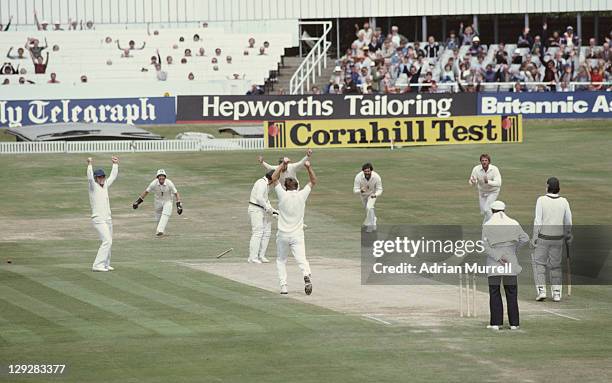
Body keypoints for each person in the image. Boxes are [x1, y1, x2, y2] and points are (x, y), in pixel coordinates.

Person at [271, 157, 316, 295]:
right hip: (297, 234)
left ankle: (284, 286)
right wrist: (308, 168)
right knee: (302, 259)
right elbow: (313, 181)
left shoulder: (282, 195)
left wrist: (282, 165)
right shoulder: (302, 194)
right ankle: (306, 274)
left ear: (286, 187)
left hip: (283, 234)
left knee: (281, 260)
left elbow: (273, 177)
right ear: (297, 186)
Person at [482, 201, 529, 330]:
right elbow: (525, 238)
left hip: (494, 262)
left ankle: (496, 323)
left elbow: (485, 246)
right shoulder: (513, 222)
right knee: (511, 292)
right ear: (504, 210)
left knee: (495, 292)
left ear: (492, 211)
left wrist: (498, 256)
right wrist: (513, 250)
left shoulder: (488, 224)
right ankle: (514, 323)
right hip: (510, 261)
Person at [531, 177, 572, 302]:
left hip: (543, 237)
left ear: (548, 186)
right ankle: (556, 293)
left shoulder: (541, 200)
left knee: (539, 264)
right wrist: (568, 235)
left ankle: (542, 291)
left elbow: (538, 220)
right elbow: (568, 221)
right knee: (555, 266)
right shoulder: (564, 201)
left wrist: (534, 236)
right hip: (558, 238)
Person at [87, 156, 119, 272]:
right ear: (96, 178)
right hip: (98, 219)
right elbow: (89, 178)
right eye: (99, 177)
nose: (102, 179)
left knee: (109, 241)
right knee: (107, 241)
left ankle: (105, 264)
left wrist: (115, 164)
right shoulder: (92, 187)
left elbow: (113, 177)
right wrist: (90, 165)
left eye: (103, 177)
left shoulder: (105, 185)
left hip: (108, 218)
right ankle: (97, 265)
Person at [132, 169, 183, 236]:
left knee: (165, 214)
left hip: (168, 201)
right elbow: (146, 192)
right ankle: (160, 232)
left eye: (163, 176)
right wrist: (137, 202)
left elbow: (176, 193)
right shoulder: (153, 183)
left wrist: (179, 205)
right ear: (157, 177)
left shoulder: (169, 183)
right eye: (160, 176)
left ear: (165, 177)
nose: (161, 177)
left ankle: (160, 230)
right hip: (158, 201)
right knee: (158, 218)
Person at [248, 170, 278, 264]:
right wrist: (268, 209)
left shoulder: (267, 185)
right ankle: (252, 257)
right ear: (272, 178)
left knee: (267, 232)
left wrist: (273, 211)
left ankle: (261, 255)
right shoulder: (261, 183)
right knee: (258, 232)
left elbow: (266, 200)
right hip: (255, 209)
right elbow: (259, 198)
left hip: (262, 210)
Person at [469, 154, 502, 223]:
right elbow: (472, 181)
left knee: (487, 209)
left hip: (493, 191)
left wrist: (488, 182)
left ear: (489, 162)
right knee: (484, 211)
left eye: (486, 160)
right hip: (482, 192)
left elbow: (499, 183)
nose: (484, 162)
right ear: (480, 162)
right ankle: (486, 226)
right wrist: (473, 182)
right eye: (482, 160)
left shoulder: (494, 169)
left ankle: (492, 225)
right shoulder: (476, 169)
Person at [353, 163, 383, 232]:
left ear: (371, 171)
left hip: (372, 194)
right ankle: (374, 219)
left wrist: (375, 194)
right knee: (367, 209)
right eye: (365, 171)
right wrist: (360, 191)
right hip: (363, 195)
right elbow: (355, 190)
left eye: (368, 171)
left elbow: (380, 189)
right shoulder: (358, 177)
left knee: (369, 207)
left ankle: (371, 226)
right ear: (363, 171)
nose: (367, 173)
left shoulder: (376, 177)